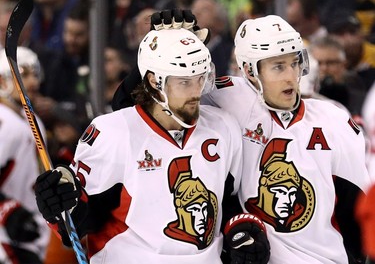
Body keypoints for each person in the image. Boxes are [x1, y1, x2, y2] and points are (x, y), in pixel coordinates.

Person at [112, 12, 371, 264]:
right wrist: (167, 51)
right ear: (249, 69)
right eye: (278, 66)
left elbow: (356, 212)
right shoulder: (226, 98)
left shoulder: (334, 120)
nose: (290, 75)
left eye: (294, 63)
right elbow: (133, 110)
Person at [34, 28, 270, 264]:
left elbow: (228, 202)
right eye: (184, 82)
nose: (196, 92)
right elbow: (82, 223)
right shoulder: (113, 133)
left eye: (200, 78)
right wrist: (61, 205)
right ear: (153, 81)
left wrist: (241, 229)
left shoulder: (223, 127)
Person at [0, 46, 50, 263]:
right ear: (2, 81)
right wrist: (9, 213)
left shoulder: (32, 119)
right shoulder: (3, 122)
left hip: (32, 230)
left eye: (35, 74)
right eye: (24, 74)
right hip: (6, 239)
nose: (34, 82)